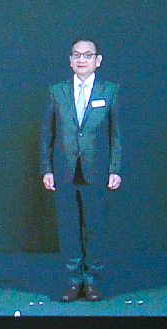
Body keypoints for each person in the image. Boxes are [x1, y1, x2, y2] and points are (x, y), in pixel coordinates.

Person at [36, 38, 119, 303]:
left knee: (94, 226)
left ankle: (92, 281)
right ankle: (73, 281)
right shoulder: (56, 91)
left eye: (88, 55)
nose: (82, 60)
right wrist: (46, 169)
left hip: (96, 170)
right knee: (69, 227)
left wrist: (114, 169)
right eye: (76, 55)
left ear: (98, 60)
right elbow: (46, 134)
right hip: (64, 170)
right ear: (70, 60)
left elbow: (116, 135)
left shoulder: (110, 91)